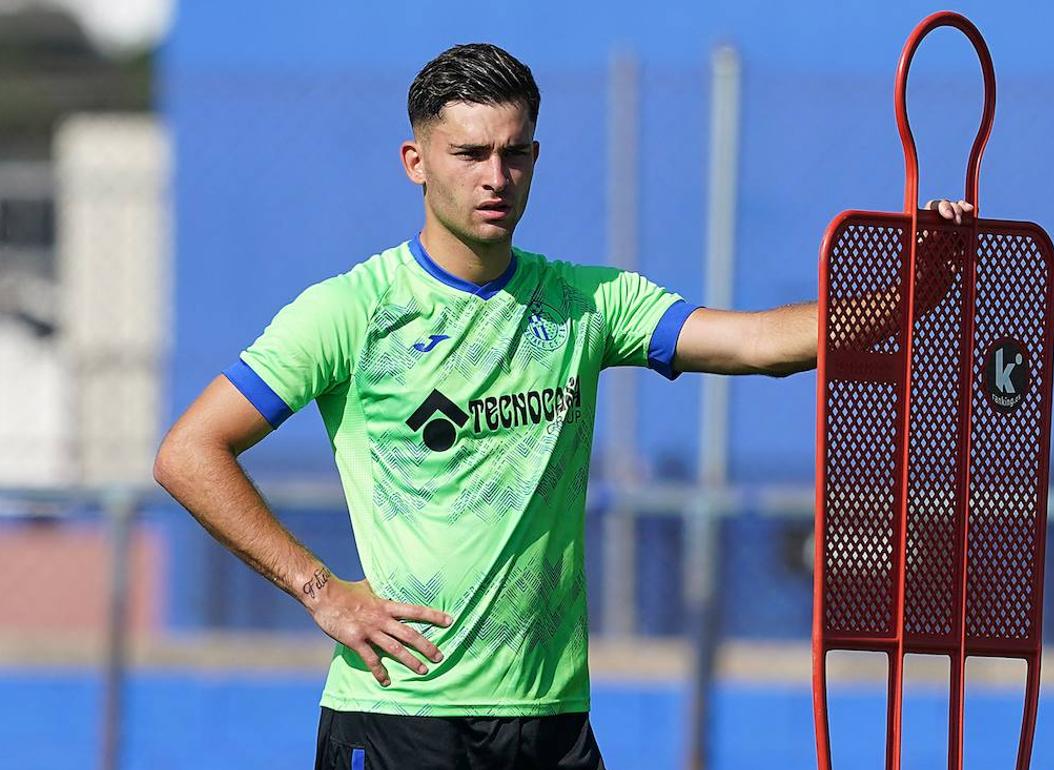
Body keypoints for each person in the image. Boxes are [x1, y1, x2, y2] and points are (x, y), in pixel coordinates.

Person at [152, 42, 972, 770]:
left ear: (536, 157)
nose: (494, 178)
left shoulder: (587, 302)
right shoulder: (352, 312)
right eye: (469, 154)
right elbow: (189, 452)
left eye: (514, 155)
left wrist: (916, 286)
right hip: (402, 718)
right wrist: (321, 590)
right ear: (415, 160)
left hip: (551, 724)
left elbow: (760, 345)